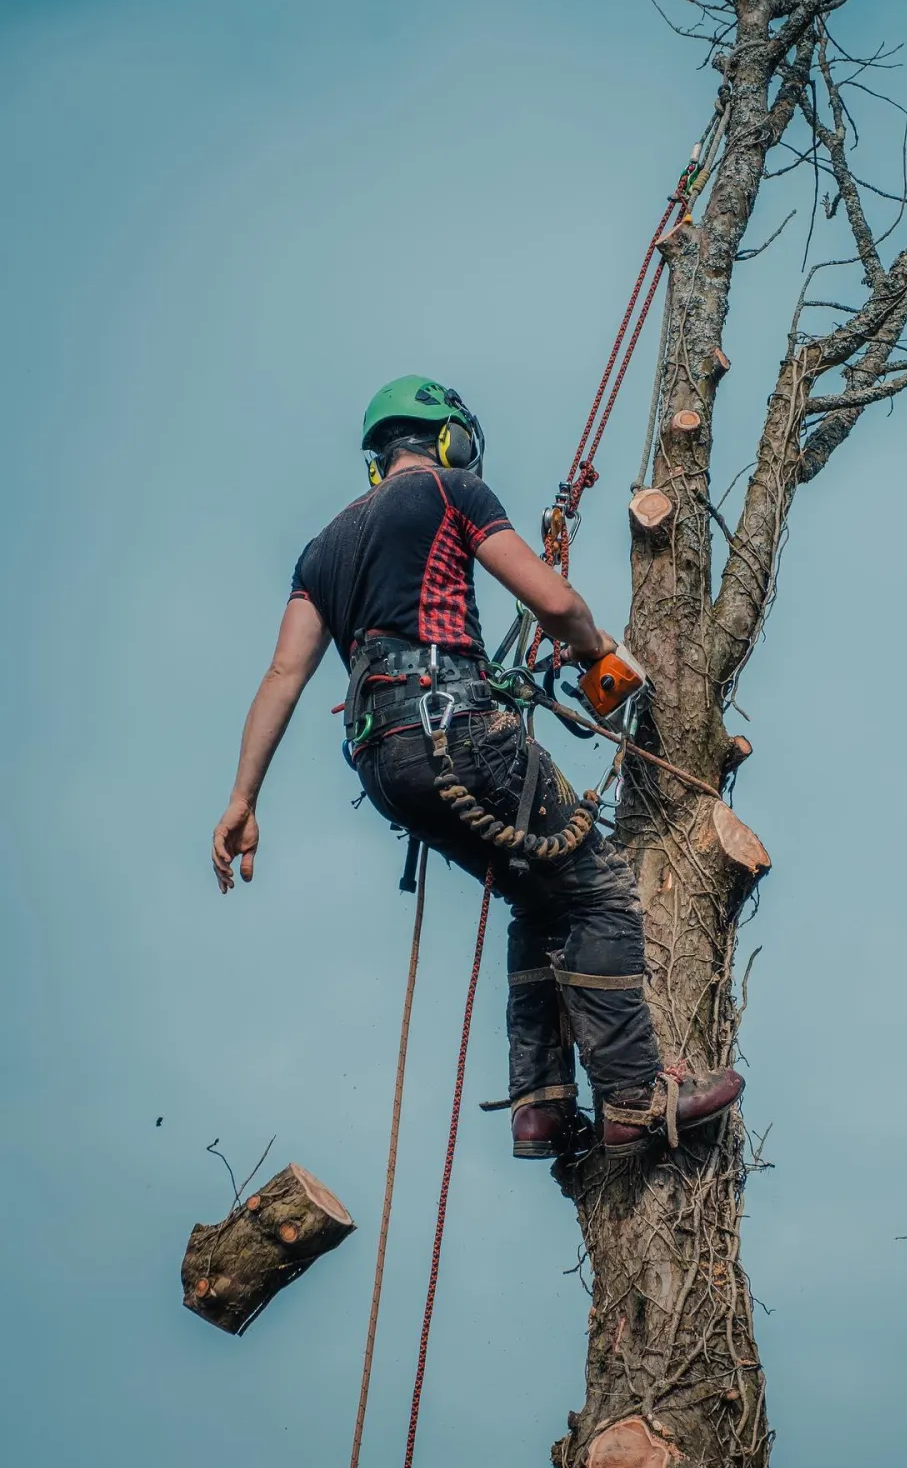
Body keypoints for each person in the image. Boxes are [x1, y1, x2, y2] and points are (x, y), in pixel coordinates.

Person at [211, 374, 743, 1157]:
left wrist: (243, 797)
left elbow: (282, 675)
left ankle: (545, 1105)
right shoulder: (453, 491)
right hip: (455, 727)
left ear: (378, 454)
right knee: (599, 885)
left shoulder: (321, 547)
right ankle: (633, 1095)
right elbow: (553, 603)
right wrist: (597, 652)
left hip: (383, 763)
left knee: (537, 895)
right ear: (450, 438)